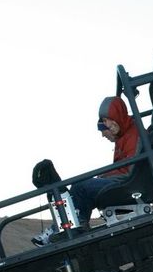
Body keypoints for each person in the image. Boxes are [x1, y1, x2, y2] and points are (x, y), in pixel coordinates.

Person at [32, 96, 140, 246]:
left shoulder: (132, 136)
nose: (103, 134)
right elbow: (124, 168)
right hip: (124, 181)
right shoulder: (125, 135)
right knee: (82, 185)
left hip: (127, 184)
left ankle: (70, 226)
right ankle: (68, 224)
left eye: (104, 126)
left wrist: (105, 176)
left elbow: (128, 171)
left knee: (80, 186)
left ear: (114, 121)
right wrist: (105, 175)